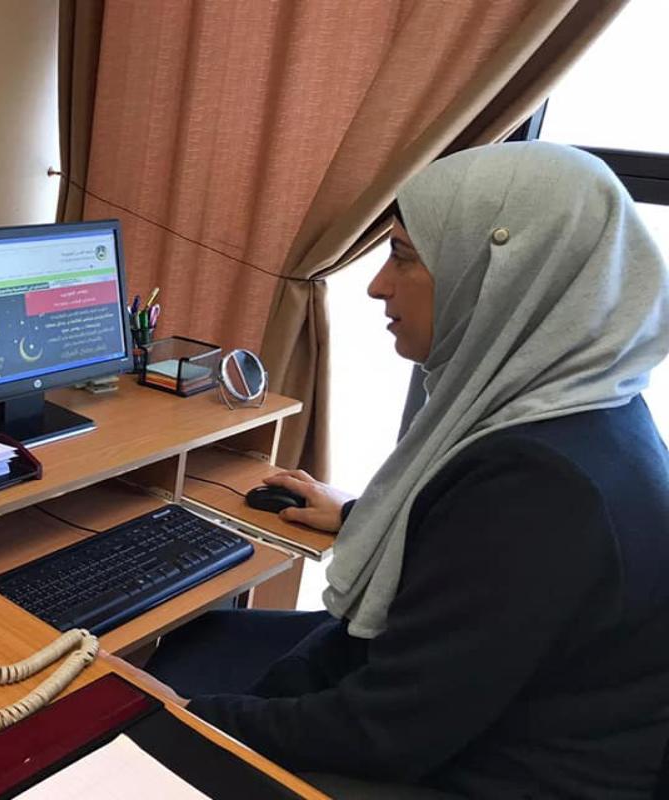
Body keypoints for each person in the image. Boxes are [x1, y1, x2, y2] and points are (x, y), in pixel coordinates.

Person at [144, 141, 669, 798]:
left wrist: (182, 719)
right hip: (475, 717)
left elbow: (382, 733)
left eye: (403, 256)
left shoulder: (539, 487)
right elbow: (492, 572)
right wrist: (363, 517)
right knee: (208, 636)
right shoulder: (579, 407)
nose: (377, 285)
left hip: (498, 774)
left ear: (500, 273)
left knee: (159, 721)